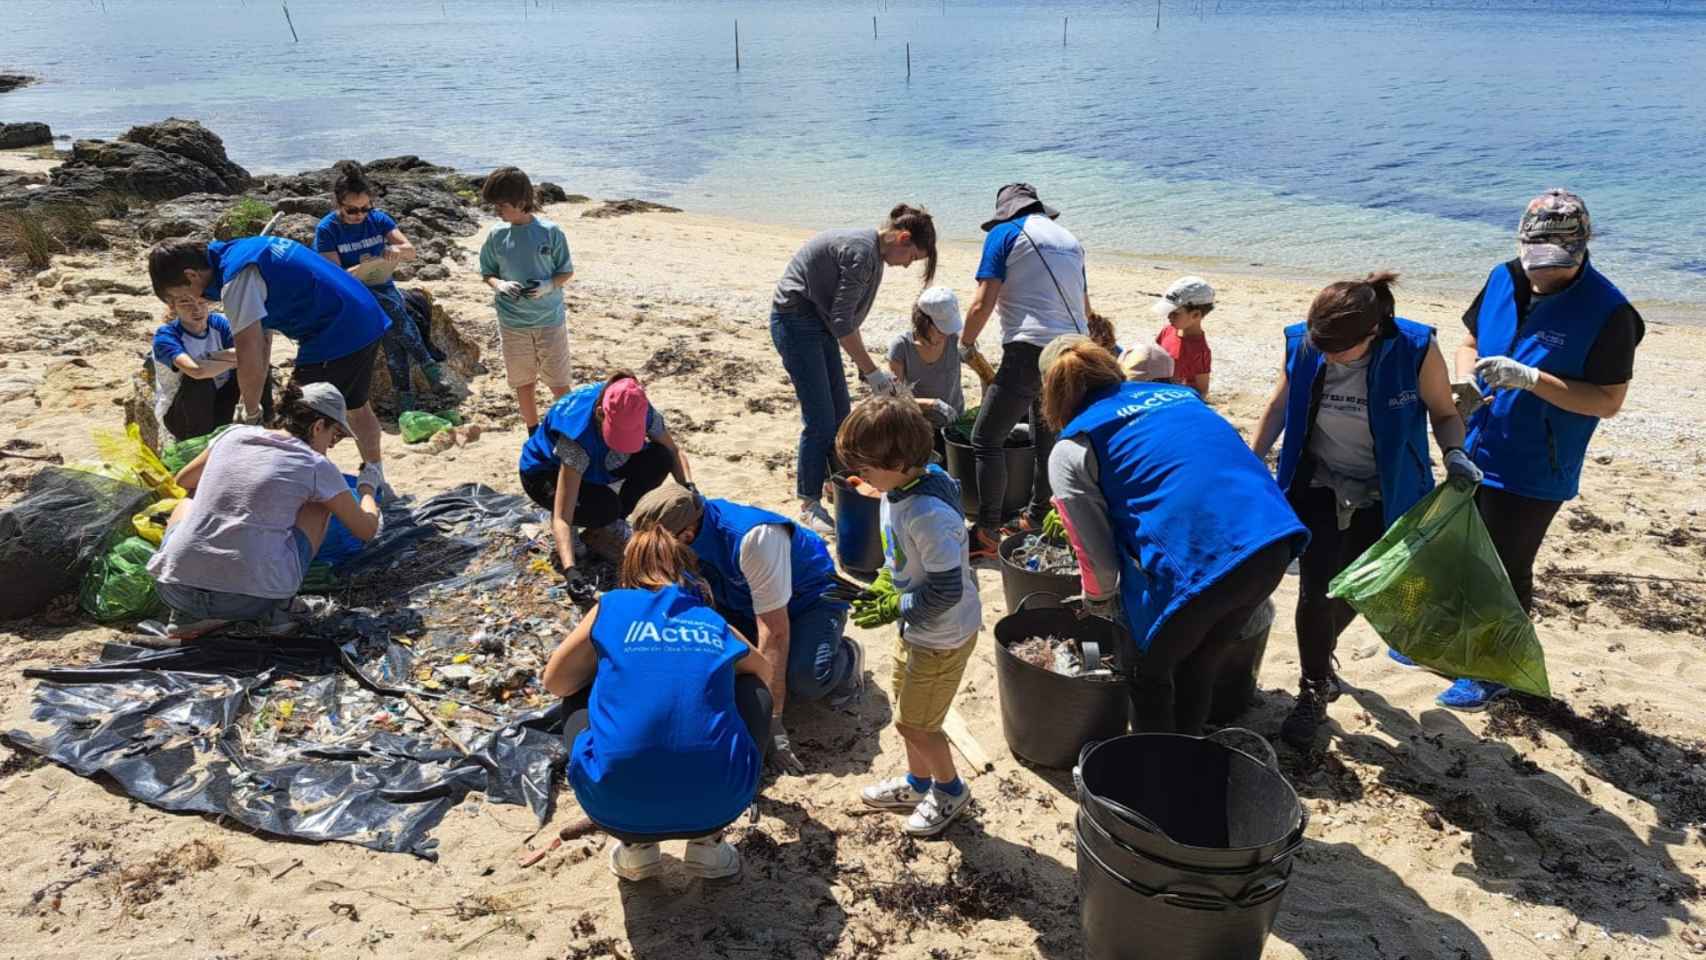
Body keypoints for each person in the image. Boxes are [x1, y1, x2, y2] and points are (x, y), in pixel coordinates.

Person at [1249, 272, 1481, 746]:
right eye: (1322, 346)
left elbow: (1442, 412)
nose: (1328, 356)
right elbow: (1278, 405)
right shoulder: (1304, 343)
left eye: (1339, 349)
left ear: (1374, 332)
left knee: (1363, 587)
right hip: (1317, 481)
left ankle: (1323, 650)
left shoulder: (1415, 348)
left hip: (1387, 487)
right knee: (1315, 592)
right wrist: (1251, 460)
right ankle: (1313, 689)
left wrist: (1455, 452)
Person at [1435, 189, 1643, 710]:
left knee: (1505, 568)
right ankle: (1452, 646)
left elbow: (1608, 401)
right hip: (1478, 442)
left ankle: (1494, 669)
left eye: (1555, 265)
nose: (1540, 274)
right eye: (1535, 261)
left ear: (1581, 249)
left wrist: (1531, 379)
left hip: (1537, 464)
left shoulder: (1610, 312)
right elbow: (1468, 342)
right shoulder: (1503, 277)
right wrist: (1467, 382)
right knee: (1462, 552)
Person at [1042, 336, 1308, 736]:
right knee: (1200, 662)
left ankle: (1156, 779)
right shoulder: (1182, 398)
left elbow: (1099, 565)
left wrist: (1096, 603)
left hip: (1204, 564)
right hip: (1274, 543)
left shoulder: (1073, 446)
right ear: (1113, 370)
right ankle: (1186, 751)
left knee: (1148, 676)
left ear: (1053, 394)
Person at [542, 526, 773, 882]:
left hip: (613, 805)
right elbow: (762, 671)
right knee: (752, 688)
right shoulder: (709, 618)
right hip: (718, 802)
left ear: (628, 569)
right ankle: (707, 845)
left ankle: (636, 851)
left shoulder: (611, 606)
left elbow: (555, 681)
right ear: (686, 569)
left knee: (575, 689)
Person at [629, 481, 863, 775]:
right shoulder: (680, 536)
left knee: (805, 680)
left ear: (687, 534)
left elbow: (774, 632)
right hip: (740, 599)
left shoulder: (753, 538)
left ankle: (846, 656)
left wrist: (772, 723)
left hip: (808, 600)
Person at [835, 393, 981, 836]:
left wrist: (896, 604)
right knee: (906, 711)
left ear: (898, 461)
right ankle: (919, 783)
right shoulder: (898, 489)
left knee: (918, 724)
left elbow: (947, 589)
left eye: (865, 468)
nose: (859, 477)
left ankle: (950, 789)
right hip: (915, 628)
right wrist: (884, 583)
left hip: (943, 634)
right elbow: (898, 557)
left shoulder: (928, 512)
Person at [146, 236, 393, 489]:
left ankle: (313, 495)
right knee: (357, 407)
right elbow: (263, 339)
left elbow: (249, 351)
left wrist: (252, 413)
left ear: (191, 275)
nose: (190, 300)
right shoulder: (243, 249)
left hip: (335, 332)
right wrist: (250, 397)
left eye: (181, 293)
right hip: (364, 313)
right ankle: (377, 480)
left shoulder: (237, 279)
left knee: (297, 424)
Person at [149, 382, 383, 639]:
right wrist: (367, 488)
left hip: (174, 590)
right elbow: (366, 530)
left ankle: (184, 618)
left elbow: (184, 480)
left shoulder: (233, 435)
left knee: (190, 499)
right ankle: (278, 615)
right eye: (334, 436)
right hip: (253, 600)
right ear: (318, 427)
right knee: (319, 503)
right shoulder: (316, 465)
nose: (330, 445)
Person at [770, 205, 939, 535]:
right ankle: (808, 502)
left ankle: (836, 484)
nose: (906, 265)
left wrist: (869, 371)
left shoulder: (872, 252)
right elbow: (842, 322)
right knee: (819, 420)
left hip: (817, 324)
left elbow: (841, 322)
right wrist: (872, 372)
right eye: (912, 257)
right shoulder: (862, 255)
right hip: (795, 321)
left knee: (841, 414)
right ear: (902, 238)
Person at [959, 183, 1094, 559]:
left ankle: (986, 530)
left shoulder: (1004, 234)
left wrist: (966, 345)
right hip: (1075, 350)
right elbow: (1085, 305)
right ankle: (1038, 516)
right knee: (1046, 437)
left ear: (1006, 212)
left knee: (986, 437)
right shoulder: (1070, 240)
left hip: (1030, 348)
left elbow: (982, 302)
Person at [517, 372, 692, 593]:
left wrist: (690, 491)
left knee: (660, 458)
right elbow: (562, 516)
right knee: (604, 508)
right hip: (545, 474)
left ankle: (606, 526)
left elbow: (673, 451)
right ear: (601, 414)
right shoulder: (577, 435)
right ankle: (595, 523)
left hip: (598, 461)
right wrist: (570, 570)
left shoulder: (638, 405)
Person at [314, 160, 446, 413]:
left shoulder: (378, 220)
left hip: (381, 285)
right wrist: (354, 272)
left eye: (365, 208)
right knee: (391, 310)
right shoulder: (327, 229)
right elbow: (331, 276)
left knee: (389, 326)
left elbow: (411, 251)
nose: (360, 215)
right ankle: (427, 364)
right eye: (352, 211)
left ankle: (404, 394)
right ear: (338, 205)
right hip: (351, 293)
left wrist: (393, 251)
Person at [478, 165, 574, 431]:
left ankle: (569, 429)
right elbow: (487, 272)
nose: (497, 212)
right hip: (512, 322)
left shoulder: (550, 232)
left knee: (558, 380)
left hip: (549, 319)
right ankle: (532, 429)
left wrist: (547, 286)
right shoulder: (497, 235)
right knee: (523, 380)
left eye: (502, 206)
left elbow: (566, 271)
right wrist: (499, 285)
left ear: (521, 203)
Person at [151, 297, 238, 442]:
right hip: (182, 414)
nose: (196, 310)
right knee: (199, 381)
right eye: (186, 303)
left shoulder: (218, 323)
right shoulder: (166, 336)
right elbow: (196, 371)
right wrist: (234, 362)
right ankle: (198, 443)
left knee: (259, 369)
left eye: (201, 302)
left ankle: (264, 422)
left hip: (219, 401)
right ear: (173, 306)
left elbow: (250, 352)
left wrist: (211, 356)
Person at [887, 286, 966, 432]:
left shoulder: (956, 340)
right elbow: (895, 399)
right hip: (918, 427)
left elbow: (982, 369)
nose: (945, 334)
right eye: (941, 329)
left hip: (955, 423)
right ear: (924, 322)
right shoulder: (901, 347)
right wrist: (933, 404)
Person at [1151, 276, 1215, 398]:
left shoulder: (1200, 351)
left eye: (1175, 313)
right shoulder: (1167, 331)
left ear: (1195, 315)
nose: (1169, 316)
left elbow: (1202, 390)